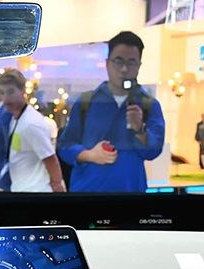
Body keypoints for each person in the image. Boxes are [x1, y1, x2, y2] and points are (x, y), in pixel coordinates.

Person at [58, 31, 166, 193]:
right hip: (86, 193)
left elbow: (153, 152)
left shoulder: (149, 105)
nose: (124, 69)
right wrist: (88, 155)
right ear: (107, 63)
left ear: (139, 66)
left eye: (131, 62)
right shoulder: (86, 102)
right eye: (118, 61)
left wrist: (140, 130)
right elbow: (65, 146)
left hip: (130, 194)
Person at [0, 69, 65, 193]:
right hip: (22, 189)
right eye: (2, 93)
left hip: (35, 191)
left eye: (11, 92)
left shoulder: (31, 123)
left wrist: (57, 185)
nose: (6, 98)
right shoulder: (16, 119)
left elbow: (50, 158)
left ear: (22, 90)